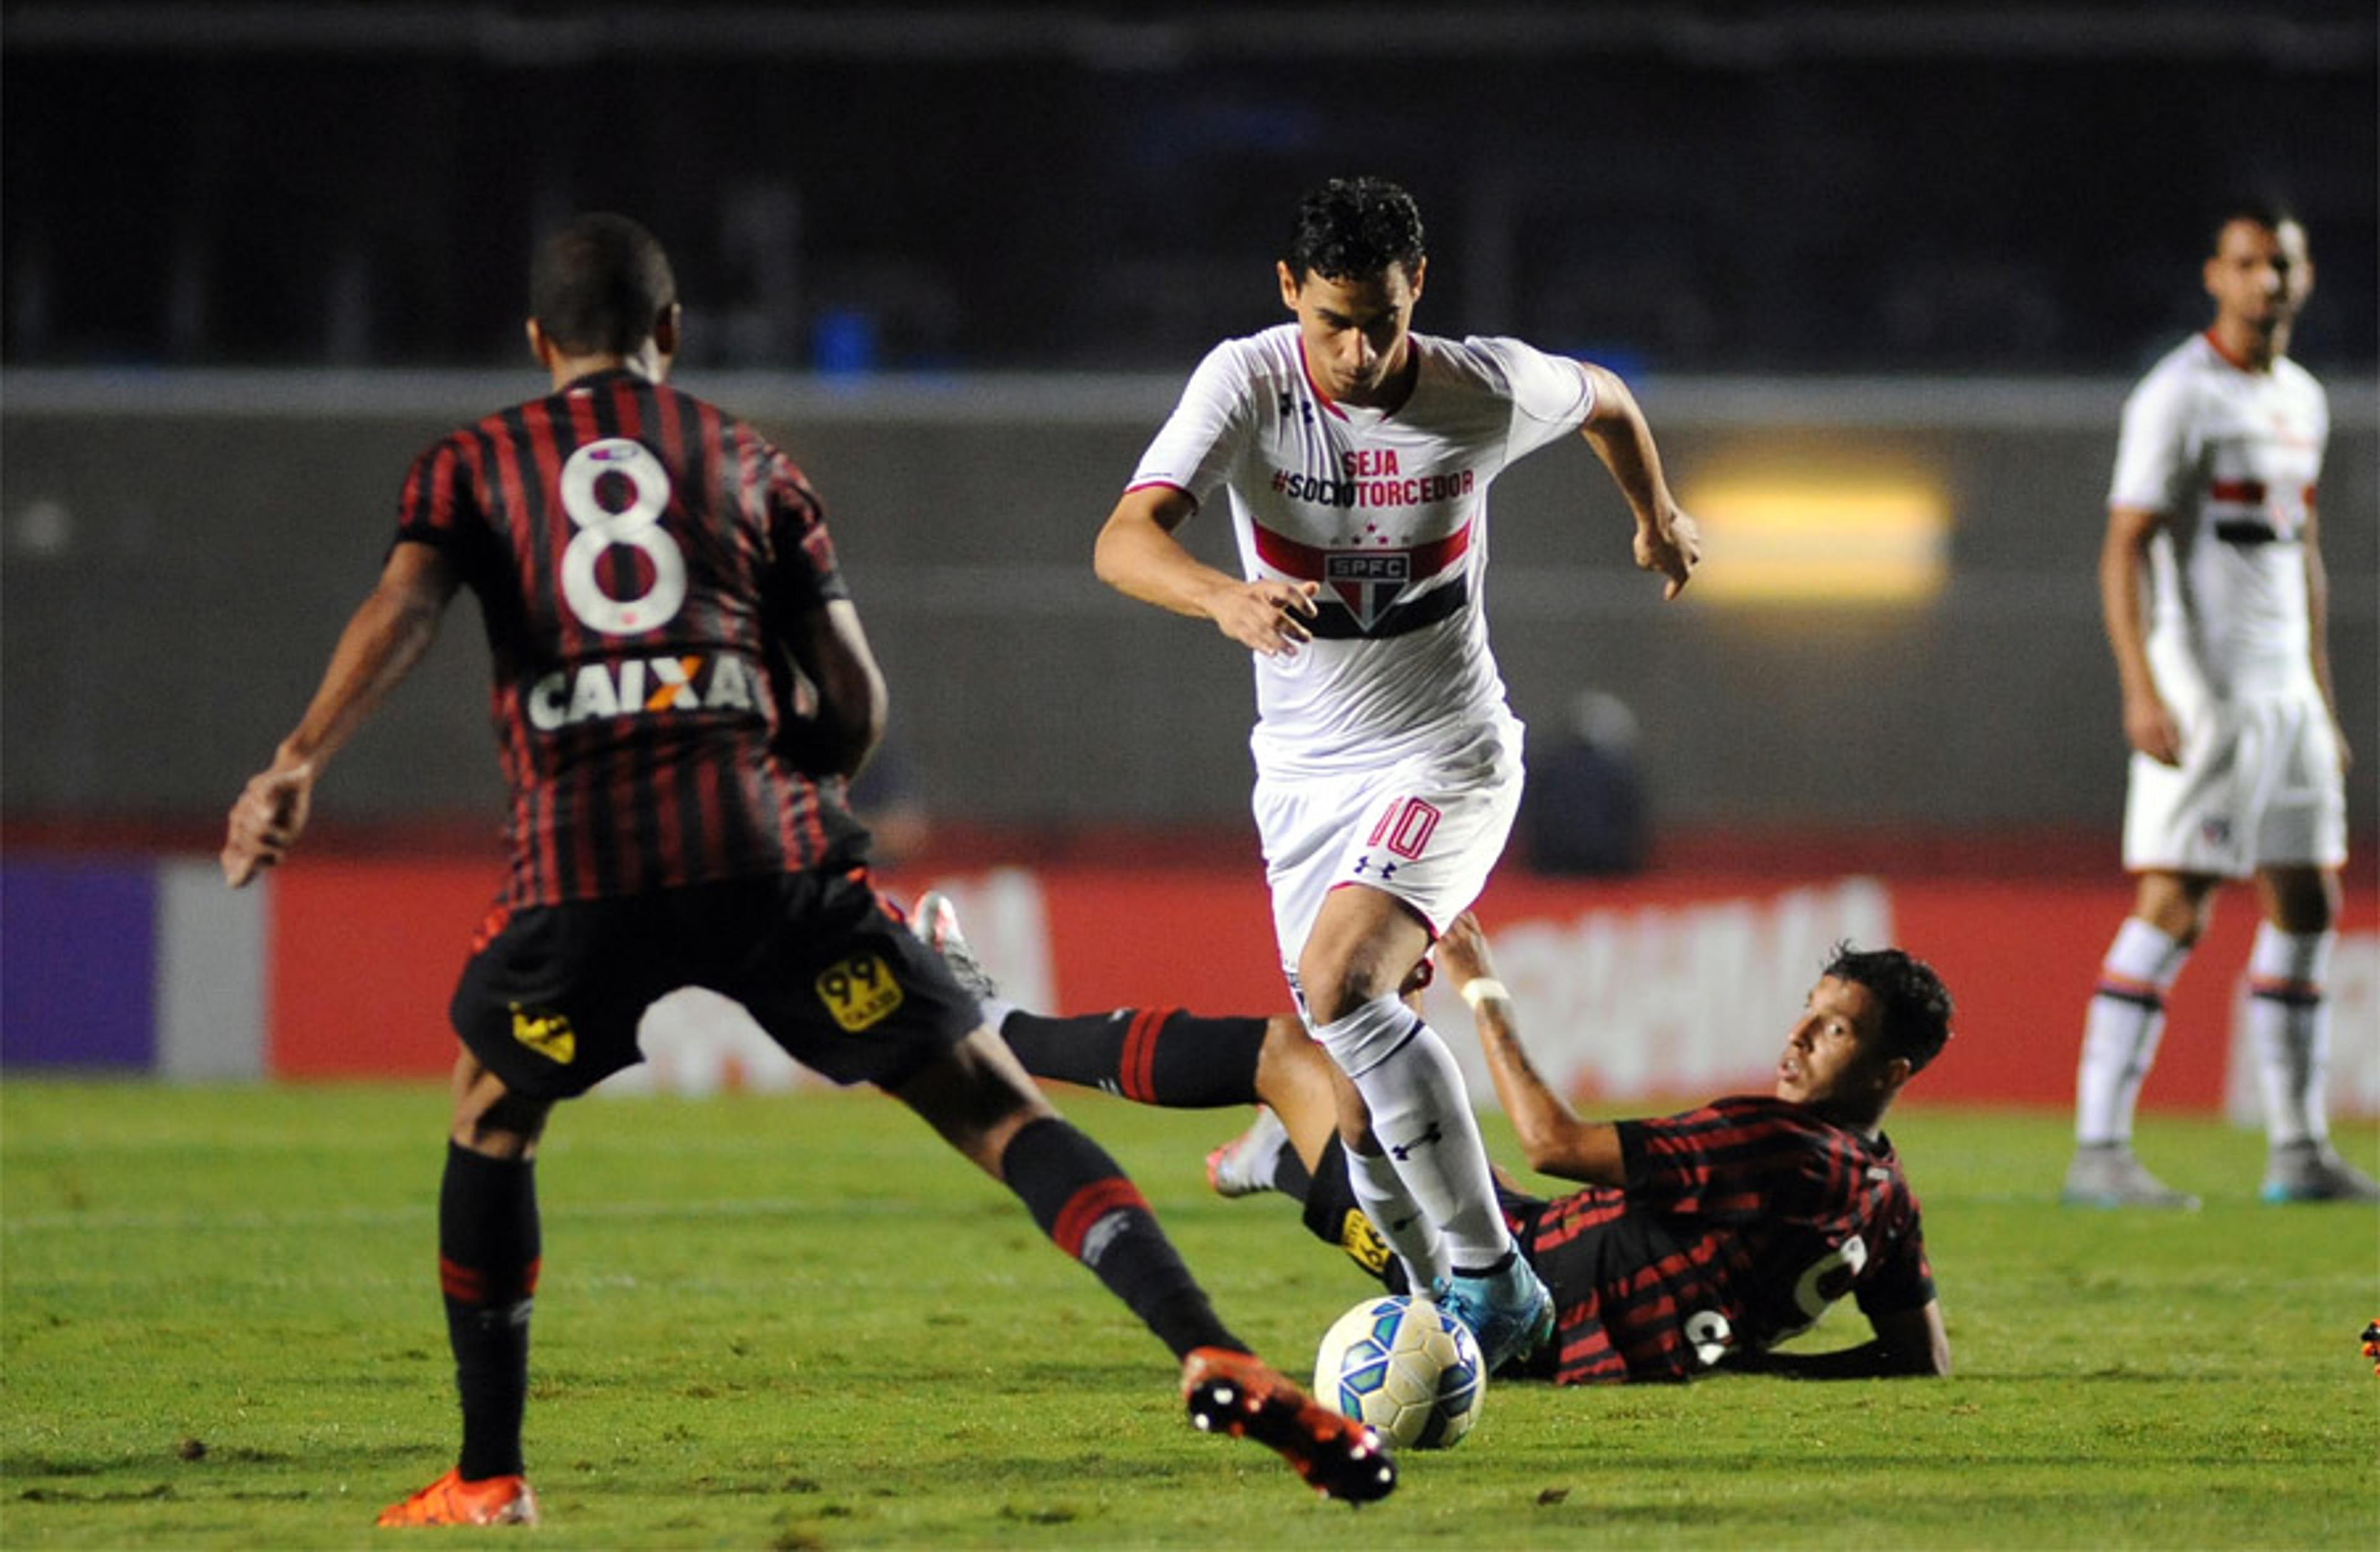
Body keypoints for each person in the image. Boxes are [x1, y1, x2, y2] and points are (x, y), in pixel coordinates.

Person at [219, 213, 1393, 1526]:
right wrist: (785, 772)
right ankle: (1209, 1342)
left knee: (492, 1114)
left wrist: (297, 759)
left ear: (540, 340)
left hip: (584, 857)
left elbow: (404, 610)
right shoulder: (748, 461)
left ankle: (489, 1471)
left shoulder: (473, 464)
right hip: (766, 842)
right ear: (670, 334)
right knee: (1002, 1113)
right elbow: (855, 703)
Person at [1092, 176, 1701, 1370]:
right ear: (1288, 293)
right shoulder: (1249, 382)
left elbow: (1612, 401)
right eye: (1334, 321)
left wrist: (1657, 516)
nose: (1360, 350)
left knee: (1339, 985)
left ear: (1417, 288)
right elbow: (1123, 538)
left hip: (1450, 753)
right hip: (1305, 780)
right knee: (1356, 1094)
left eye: (1382, 318)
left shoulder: (1482, 385)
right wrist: (1225, 597)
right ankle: (1440, 1311)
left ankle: (1496, 1285)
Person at [919, 894, 1952, 1383]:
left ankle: (987, 1022)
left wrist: (1482, 991)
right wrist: (1753, 1368)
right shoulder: (1883, 1192)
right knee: (1418, 1139)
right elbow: (1922, 1364)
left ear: (1890, 1070)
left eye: (1837, 1029)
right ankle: (1285, 1162)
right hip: (1549, 1256)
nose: (1799, 1035)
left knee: (1291, 1053)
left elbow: (1556, 1138)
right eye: (1809, 1011)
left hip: (1522, 1300)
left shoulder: (1776, 1142)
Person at [2062, 200, 2374, 1209]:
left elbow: (2303, 556)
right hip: (2205, 685)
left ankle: (2296, 1149)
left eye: (2281, 264)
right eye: (2248, 265)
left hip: (2284, 690)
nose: (2267, 283)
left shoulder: (2303, 400)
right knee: (2174, 902)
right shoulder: (2177, 395)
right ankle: (2100, 1149)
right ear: (2216, 276)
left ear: (2304, 275)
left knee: (2310, 898)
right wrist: (2144, 685)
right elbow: (2125, 545)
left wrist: (2321, 700)